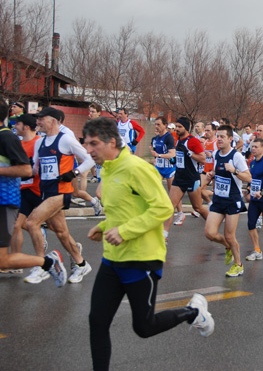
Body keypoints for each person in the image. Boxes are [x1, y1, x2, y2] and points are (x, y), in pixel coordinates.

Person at [83, 117, 213, 371]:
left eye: (94, 144)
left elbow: (164, 207)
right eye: (86, 144)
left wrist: (125, 231)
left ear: (112, 142)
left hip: (141, 258)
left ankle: (194, 313)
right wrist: (102, 228)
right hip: (113, 258)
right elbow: (122, 211)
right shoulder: (108, 170)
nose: (89, 150)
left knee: (143, 327)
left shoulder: (136, 168)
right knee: (97, 321)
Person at [24, 107, 95, 284]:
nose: (38, 122)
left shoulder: (66, 140)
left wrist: (74, 172)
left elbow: (90, 159)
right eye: (37, 119)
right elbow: (35, 169)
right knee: (62, 233)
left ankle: (43, 265)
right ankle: (81, 264)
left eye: (41, 118)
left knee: (32, 222)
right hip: (46, 192)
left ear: (54, 121)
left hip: (61, 192)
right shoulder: (40, 143)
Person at [0, 102, 67, 285]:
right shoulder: (14, 139)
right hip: (21, 193)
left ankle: (47, 261)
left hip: (14, 198)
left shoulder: (9, 138)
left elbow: (26, 170)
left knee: (43, 227)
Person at [204, 125, 252, 277]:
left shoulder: (236, 156)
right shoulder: (216, 154)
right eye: (217, 136)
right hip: (218, 199)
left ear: (230, 139)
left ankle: (238, 265)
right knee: (209, 233)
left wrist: (234, 171)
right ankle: (228, 247)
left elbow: (248, 177)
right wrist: (211, 174)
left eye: (222, 137)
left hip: (232, 200)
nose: (218, 139)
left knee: (230, 236)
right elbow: (218, 172)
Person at [163, 118, 207, 241]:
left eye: (179, 127)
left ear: (186, 128)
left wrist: (188, 153)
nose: (176, 129)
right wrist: (174, 160)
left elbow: (202, 159)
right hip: (179, 178)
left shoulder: (193, 141)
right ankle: (164, 234)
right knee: (170, 206)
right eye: (176, 126)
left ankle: (212, 225)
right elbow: (179, 157)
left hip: (191, 179)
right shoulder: (177, 140)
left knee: (198, 208)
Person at [150, 116, 177, 224]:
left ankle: (178, 212)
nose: (156, 127)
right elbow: (156, 153)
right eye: (155, 124)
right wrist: (155, 159)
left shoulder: (168, 137)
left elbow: (172, 154)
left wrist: (159, 155)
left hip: (169, 168)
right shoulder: (156, 138)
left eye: (158, 124)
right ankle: (158, 209)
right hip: (159, 167)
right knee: (154, 186)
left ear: (165, 125)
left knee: (172, 193)